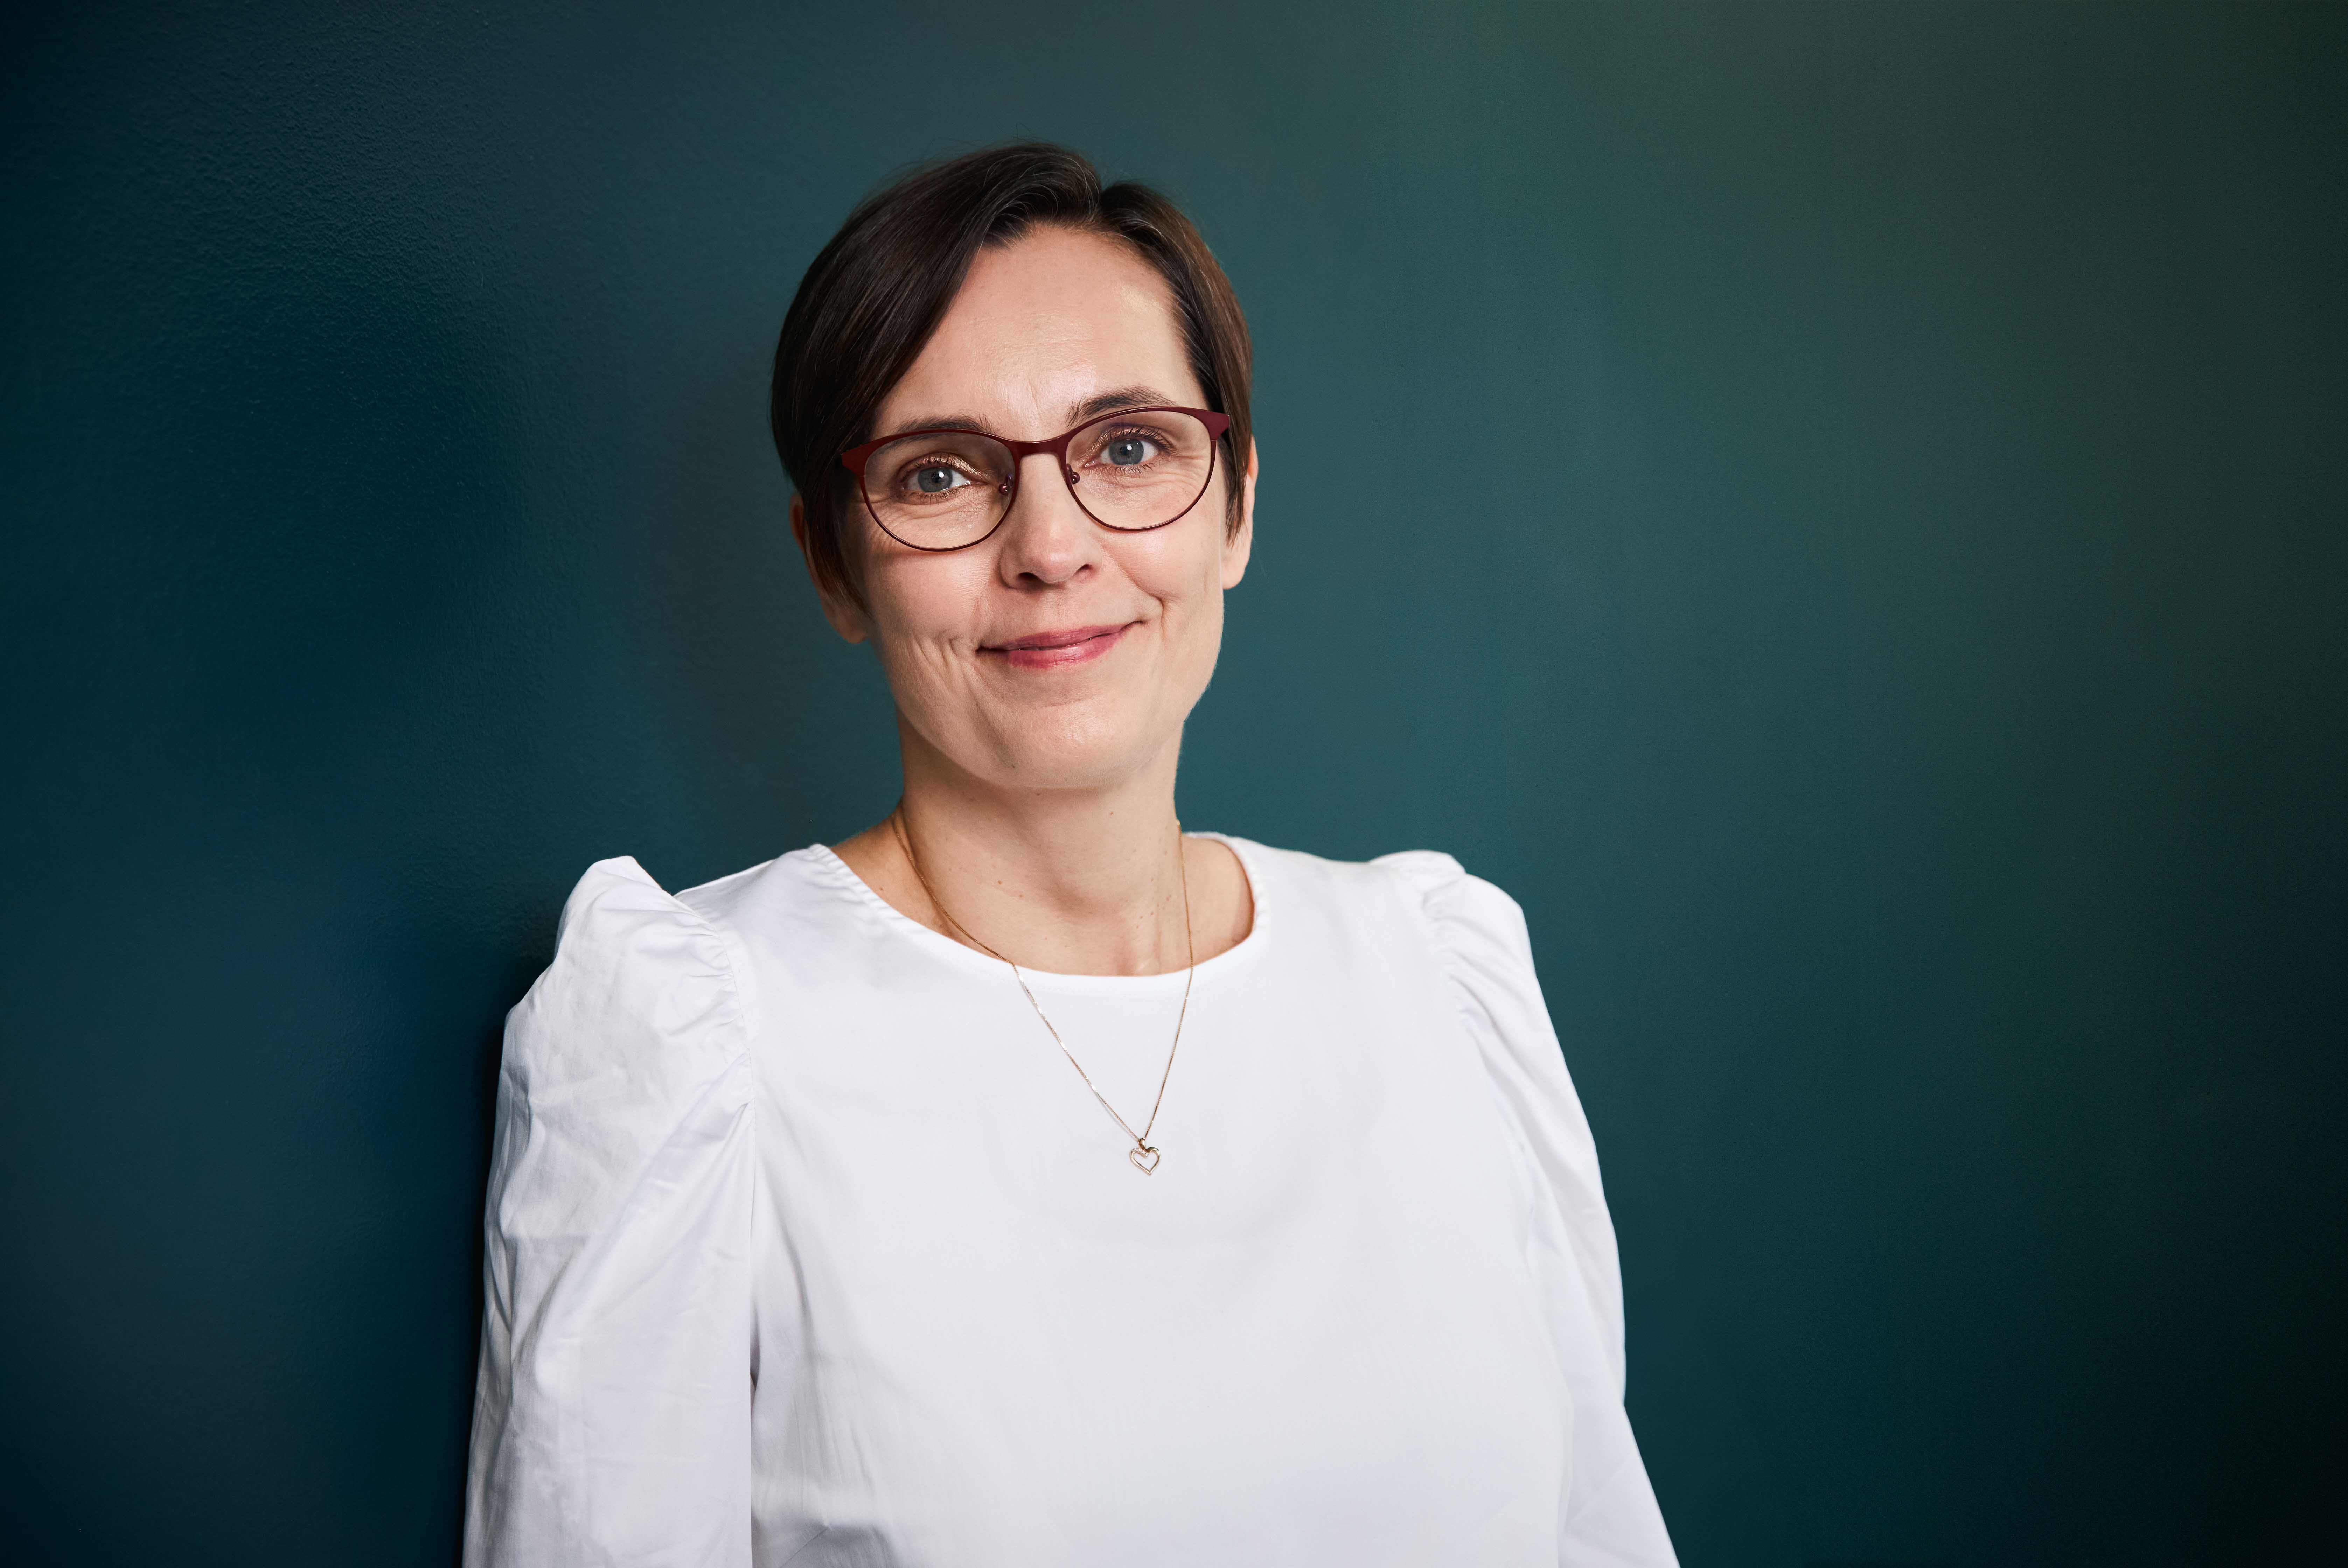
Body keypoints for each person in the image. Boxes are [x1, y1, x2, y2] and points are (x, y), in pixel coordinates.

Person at [462, 142, 1676, 1567]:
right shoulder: (692, 1038)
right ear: (833, 563)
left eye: (1128, 448)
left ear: (1237, 505)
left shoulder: (1438, 974)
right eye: (939, 473)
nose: (1050, 545)